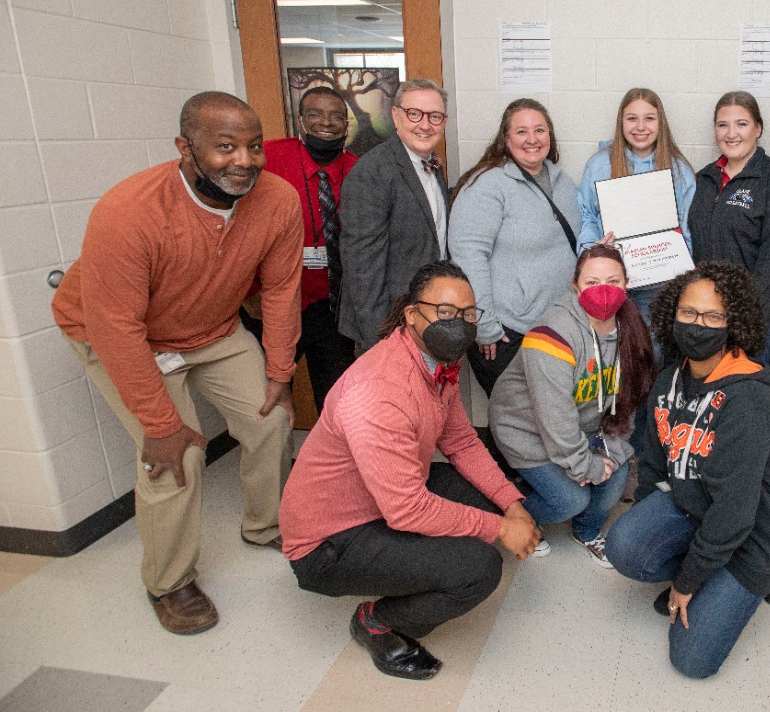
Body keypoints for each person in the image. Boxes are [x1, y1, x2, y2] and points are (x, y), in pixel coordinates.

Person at [51, 91, 301, 635]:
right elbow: (117, 328)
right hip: (122, 336)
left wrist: (280, 372)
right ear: (185, 148)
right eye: (226, 147)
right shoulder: (128, 211)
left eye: (254, 147)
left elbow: (281, 289)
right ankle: (169, 582)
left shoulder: (278, 199)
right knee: (176, 455)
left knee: (271, 417)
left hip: (212, 330)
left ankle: (266, 525)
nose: (244, 161)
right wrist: (161, 425)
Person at [280, 261, 541, 680]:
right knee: (479, 569)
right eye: (445, 312)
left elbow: (460, 442)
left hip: (378, 500)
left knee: (484, 496)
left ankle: (418, 563)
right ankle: (378, 620)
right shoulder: (380, 390)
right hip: (327, 543)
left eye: (469, 314)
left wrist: (511, 504)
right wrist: (498, 529)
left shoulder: (436, 362)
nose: (460, 323)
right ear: (411, 315)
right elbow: (406, 510)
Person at [605, 262, 770, 679]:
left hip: (754, 530)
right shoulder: (667, 384)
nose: (698, 325)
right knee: (625, 545)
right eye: (688, 313)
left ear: (734, 325)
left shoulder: (746, 399)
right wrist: (647, 526)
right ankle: (705, 565)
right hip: (696, 509)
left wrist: (687, 581)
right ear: (671, 314)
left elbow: (734, 514)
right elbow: (654, 467)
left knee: (691, 660)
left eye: (714, 317)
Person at [489, 244, 656, 566]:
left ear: (626, 284)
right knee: (570, 500)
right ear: (575, 285)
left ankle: (587, 531)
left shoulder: (632, 329)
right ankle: (516, 518)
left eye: (613, 281)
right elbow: (555, 419)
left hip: (587, 428)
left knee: (615, 478)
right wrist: (585, 465)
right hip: (527, 430)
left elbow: (631, 400)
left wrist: (612, 451)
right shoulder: (551, 334)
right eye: (592, 282)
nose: (603, 290)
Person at [449, 98, 581, 394]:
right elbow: (468, 256)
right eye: (521, 132)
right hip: (507, 334)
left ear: (551, 136)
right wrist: (484, 325)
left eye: (540, 130)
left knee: (550, 421)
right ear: (505, 139)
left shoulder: (564, 184)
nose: (532, 139)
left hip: (556, 329)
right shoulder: (487, 185)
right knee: (515, 426)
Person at [246, 86, 358, 413]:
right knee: (269, 404)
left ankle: (335, 464)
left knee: (338, 403)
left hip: (333, 310)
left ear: (346, 124)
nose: (327, 122)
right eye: (315, 114)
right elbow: (234, 224)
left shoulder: (358, 169)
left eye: (336, 116)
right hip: (273, 306)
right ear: (300, 120)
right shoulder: (268, 159)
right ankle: (279, 464)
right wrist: (247, 291)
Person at [688, 91, 770, 366]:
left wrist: (745, 325)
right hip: (706, 315)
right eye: (722, 125)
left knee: (744, 399)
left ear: (758, 129)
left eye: (742, 124)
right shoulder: (703, 179)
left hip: (753, 320)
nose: (731, 134)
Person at [338, 79, 451, 353]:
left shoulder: (432, 166)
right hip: (390, 327)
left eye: (435, 116)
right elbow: (363, 272)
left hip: (427, 318)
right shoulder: (372, 174)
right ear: (396, 116)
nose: (425, 125)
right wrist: (381, 342)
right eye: (414, 114)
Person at [576, 88, 696, 320]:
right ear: (621, 122)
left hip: (660, 287)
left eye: (649, 118)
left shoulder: (680, 171)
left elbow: (687, 228)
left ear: (661, 123)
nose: (640, 127)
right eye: (632, 118)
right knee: (612, 352)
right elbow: (587, 215)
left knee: (653, 353)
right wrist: (593, 250)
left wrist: (682, 275)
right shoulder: (599, 165)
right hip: (610, 281)